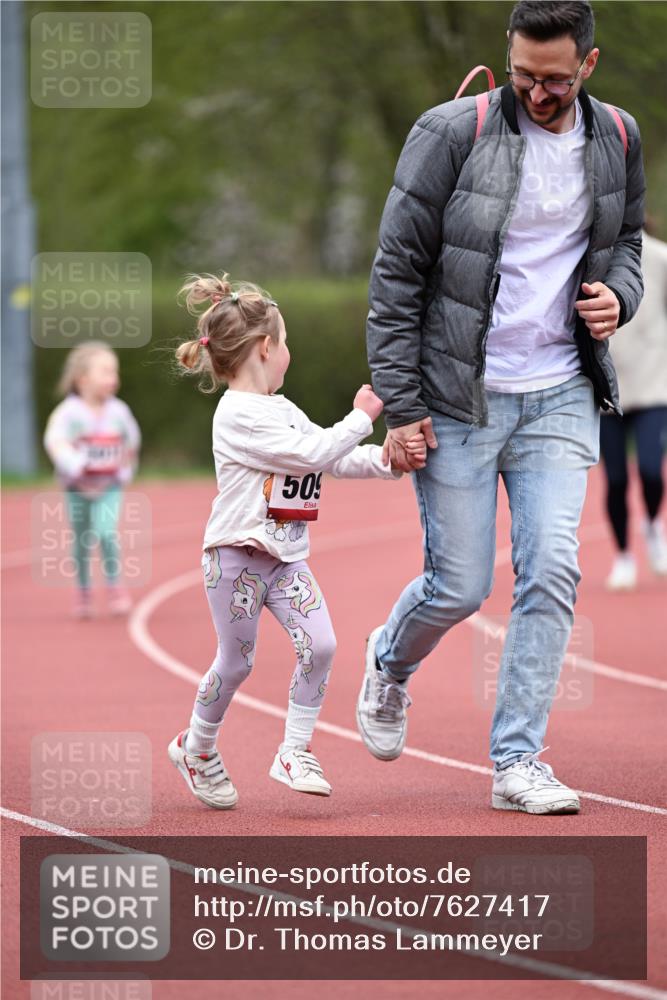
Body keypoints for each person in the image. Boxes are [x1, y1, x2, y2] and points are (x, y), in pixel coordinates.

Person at [356, 0, 645, 814]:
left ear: (587, 65)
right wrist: (403, 403)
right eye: (522, 74)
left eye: (553, 79)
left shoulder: (616, 136)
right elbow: (396, 276)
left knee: (552, 571)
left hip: (559, 390)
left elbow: (623, 245)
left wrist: (614, 299)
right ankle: (388, 662)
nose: (536, 92)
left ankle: (518, 762)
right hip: (457, 397)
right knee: (456, 587)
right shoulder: (450, 132)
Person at [167, 273, 418, 809]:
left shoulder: (281, 410)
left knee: (322, 645)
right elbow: (312, 455)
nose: (290, 353)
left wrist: (385, 461)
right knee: (235, 663)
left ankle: (294, 750)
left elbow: (326, 457)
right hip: (235, 561)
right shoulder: (237, 416)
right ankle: (197, 748)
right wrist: (362, 418)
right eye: (285, 343)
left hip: (285, 561)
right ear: (265, 347)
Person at [44, 342, 141, 619]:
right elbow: (54, 440)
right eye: (106, 372)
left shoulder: (119, 412)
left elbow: (131, 441)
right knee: (81, 540)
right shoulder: (67, 413)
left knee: (106, 533)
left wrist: (125, 469)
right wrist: (73, 463)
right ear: (82, 379)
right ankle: (83, 590)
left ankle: (114, 586)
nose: (114, 379)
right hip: (76, 488)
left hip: (109, 487)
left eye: (115, 372)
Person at [600, 226, 667, 590]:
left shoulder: (659, 258)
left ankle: (653, 524)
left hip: (653, 385)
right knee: (615, 480)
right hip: (608, 390)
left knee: (652, 471)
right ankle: (623, 555)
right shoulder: (591, 258)